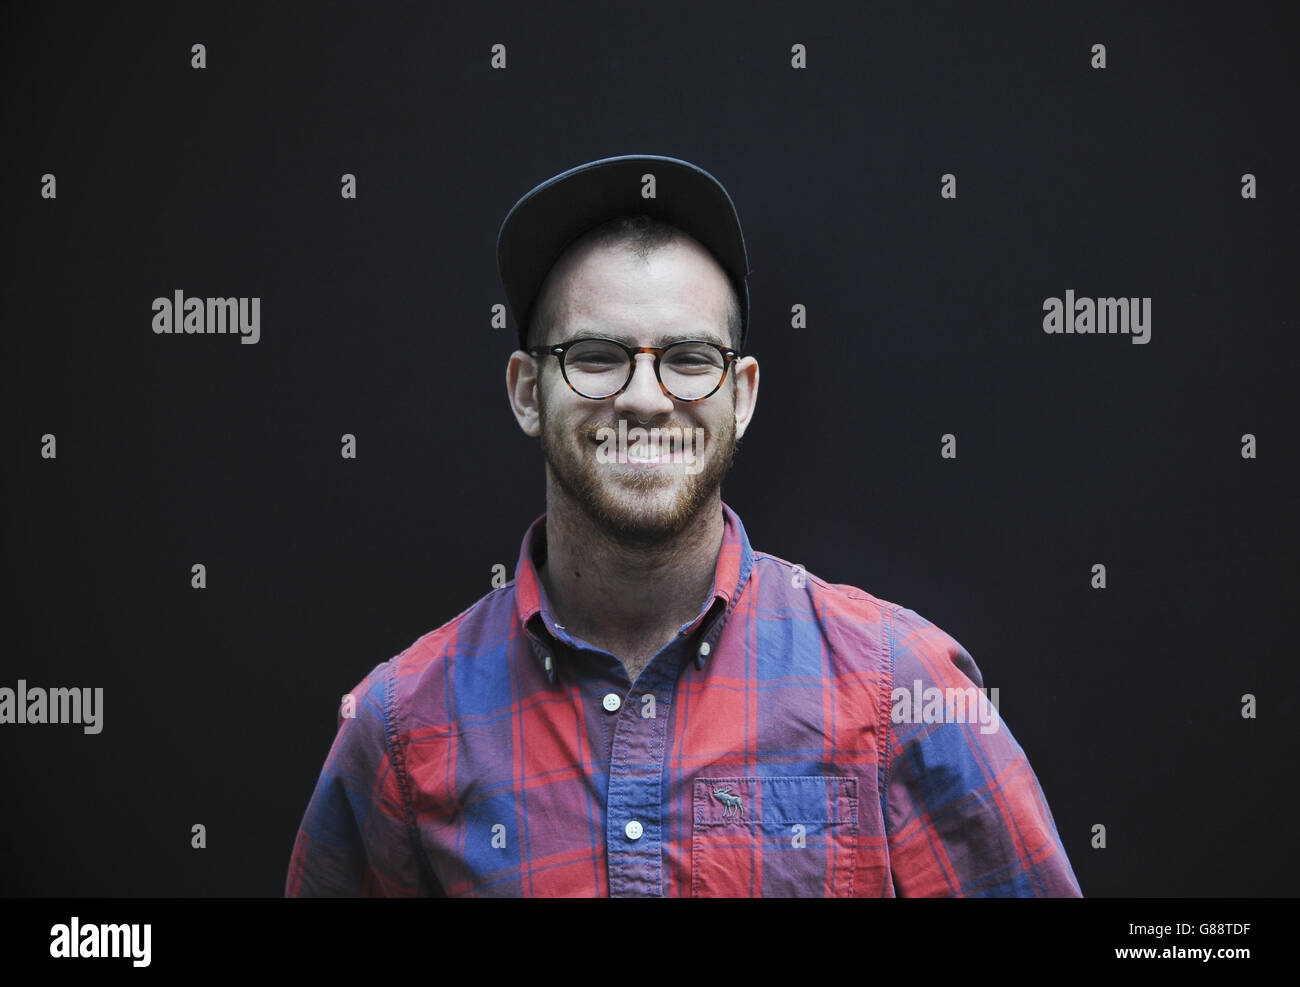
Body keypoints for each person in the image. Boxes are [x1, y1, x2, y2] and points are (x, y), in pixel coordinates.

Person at [284, 154, 1082, 897]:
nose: (645, 396)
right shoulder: (397, 726)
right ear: (528, 391)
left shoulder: (902, 686)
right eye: (596, 355)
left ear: (742, 394)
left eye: (690, 358)